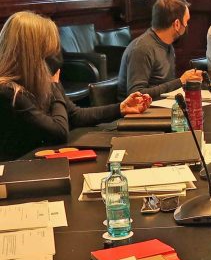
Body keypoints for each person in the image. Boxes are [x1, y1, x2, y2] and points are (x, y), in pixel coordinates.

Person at [0, 12, 151, 161]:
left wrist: (120, 108)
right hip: (17, 173)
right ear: (33, 55)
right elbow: (59, 131)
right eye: (47, 53)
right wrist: (54, 86)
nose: (52, 57)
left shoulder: (34, 82)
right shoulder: (9, 92)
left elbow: (75, 115)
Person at [116, 0, 202, 100]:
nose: (187, 25)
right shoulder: (142, 49)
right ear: (177, 24)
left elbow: (166, 86)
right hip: (139, 113)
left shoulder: (168, 45)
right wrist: (180, 81)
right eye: (186, 21)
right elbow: (136, 94)